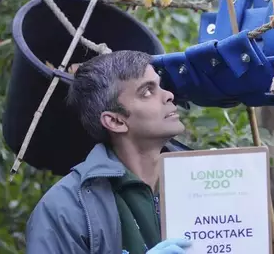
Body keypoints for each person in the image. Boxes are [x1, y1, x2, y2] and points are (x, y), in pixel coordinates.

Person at [25, 50, 192, 254]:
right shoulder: (64, 209)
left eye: (160, 86)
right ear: (115, 121)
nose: (168, 95)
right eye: (147, 91)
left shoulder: (200, 181)